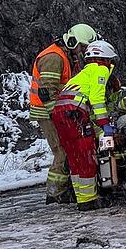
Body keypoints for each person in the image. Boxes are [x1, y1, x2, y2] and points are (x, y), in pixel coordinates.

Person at [30, 23, 99, 204]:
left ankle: (64, 189)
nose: (83, 51)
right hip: (49, 112)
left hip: (61, 110)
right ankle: (54, 193)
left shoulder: (69, 56)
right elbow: (46, 91)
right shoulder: (54, 57)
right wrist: (59, 116)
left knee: (70, 149)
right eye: (83, 47)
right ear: (73, 41)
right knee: (62, 151)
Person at [50, 39, 118, 211]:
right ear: (106, 58)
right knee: (87, 155)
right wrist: (105, 124)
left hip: (60, 114)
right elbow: (97, 98)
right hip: (75, 115)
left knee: (74, 158)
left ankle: (83, 199)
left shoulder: (83, 72)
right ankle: (89, 201)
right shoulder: (100, 69)